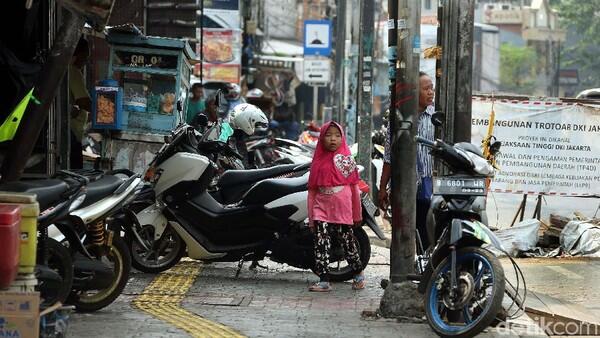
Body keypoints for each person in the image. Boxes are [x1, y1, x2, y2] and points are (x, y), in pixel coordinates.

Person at [378, 71, 435, 250]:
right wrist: (382, 188)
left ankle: (426, 268)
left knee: (428, 231)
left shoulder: (436, 118)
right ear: (413, 92)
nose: (431, 92)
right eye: (426, 89)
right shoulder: (397, 120)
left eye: (432, 88)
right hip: (404, 188)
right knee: (407, 234)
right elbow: (389, 156)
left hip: (430, 186)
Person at [307, 121, 365, 292]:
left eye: (337, 135)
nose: (333, 139)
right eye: (328, 135)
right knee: (320, 242)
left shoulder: (347, 161)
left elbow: (354, 189)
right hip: (321, 208)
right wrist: (312, 219)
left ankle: (358, 274)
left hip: (342, 208)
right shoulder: (317, 161)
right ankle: (324, 280)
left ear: (343, 138)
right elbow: (312, 192)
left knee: (347, 241)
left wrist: (357, 215)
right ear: (322, 138)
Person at [69, 38, 92, 169]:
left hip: (72, 132)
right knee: (75, 172)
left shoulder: (66, 69)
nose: (86, 60)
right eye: (85, 56)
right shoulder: (73, 71)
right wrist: (102, 113)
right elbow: (84, 102)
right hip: (71, 133)